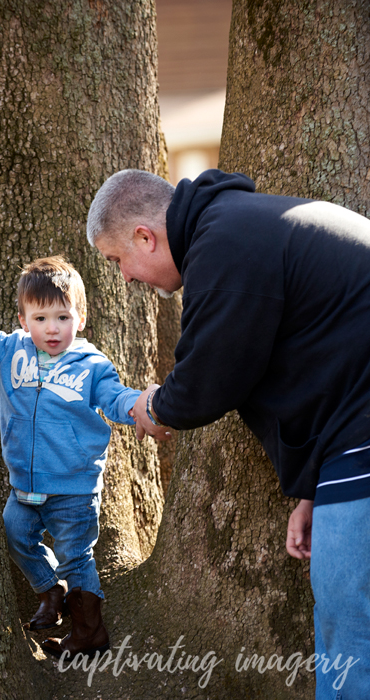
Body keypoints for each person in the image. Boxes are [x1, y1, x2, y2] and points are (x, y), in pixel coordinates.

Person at [86, 168, 370, 697]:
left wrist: (153, 405)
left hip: (363, 442)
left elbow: (208, 379)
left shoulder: (224, 242)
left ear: (145, 237)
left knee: (351, 638)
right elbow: (317, 364)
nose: (124, 278)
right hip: (351, 440)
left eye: (117, 260)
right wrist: (315, 489)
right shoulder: (235, 229)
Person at [0, 255, 168, 660]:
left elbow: (115, 398)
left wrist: (140, 405)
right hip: (24, 486)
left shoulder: (91, 365)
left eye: (62, 317)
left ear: (79, 319)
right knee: (16, 535)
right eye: (41, 318)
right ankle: (51, 592)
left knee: (76, 557)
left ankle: (88, 633)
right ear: (22, 320)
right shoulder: (9, 352)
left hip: (74, 489)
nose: (52, 328)